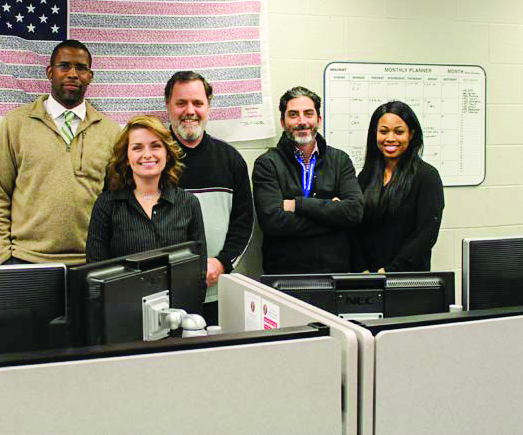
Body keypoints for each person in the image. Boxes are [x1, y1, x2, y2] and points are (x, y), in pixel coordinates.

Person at [0, 39, 121, 265]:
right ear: (50, 72)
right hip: (26, 260)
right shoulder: (16, 124)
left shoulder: (109, 131)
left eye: (81, 68)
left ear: (90, 76)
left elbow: (116, 200)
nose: (73, 74)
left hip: (91, 262)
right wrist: (2, 256)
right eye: (64, 66)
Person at [85, 115, 207, 301]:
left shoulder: (188, 204)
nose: (147, 154)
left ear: (167, 152)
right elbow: (95, 277)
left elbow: (199, 272)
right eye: (137, 148)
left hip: (176, 315)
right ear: (126, 157)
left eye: (155, 146)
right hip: (123, 314)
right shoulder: (106, 205)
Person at [164, 71, 253, 324]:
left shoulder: (230, 159)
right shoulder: (153, 159)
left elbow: (243, 221)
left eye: (197, 103)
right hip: (162, 295)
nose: (189, 110)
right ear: (168, 106)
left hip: (216, 290)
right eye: (181, 103)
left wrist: (223, 262)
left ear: (208, 106)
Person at [252, 86, 363, 274]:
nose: (302, 121)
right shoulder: (267, 164)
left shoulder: (339, 160)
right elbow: (272, 222)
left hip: (335, 273)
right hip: (284, 275)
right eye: (293, 114)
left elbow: (354, 212)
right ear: (282, 121)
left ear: (318, 119)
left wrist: (297, 205)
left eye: (308, 114)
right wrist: (332, 215)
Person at [356, 100, 444, 273]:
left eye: (399, 132)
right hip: (368, 277)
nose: (390, 138)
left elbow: (426, 235)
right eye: (383, 131)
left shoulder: (427, 177)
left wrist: (391, 270)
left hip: (406, 277)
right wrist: (361, 268)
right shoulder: (365, 176)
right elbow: (357, 229)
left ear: (411, 134)